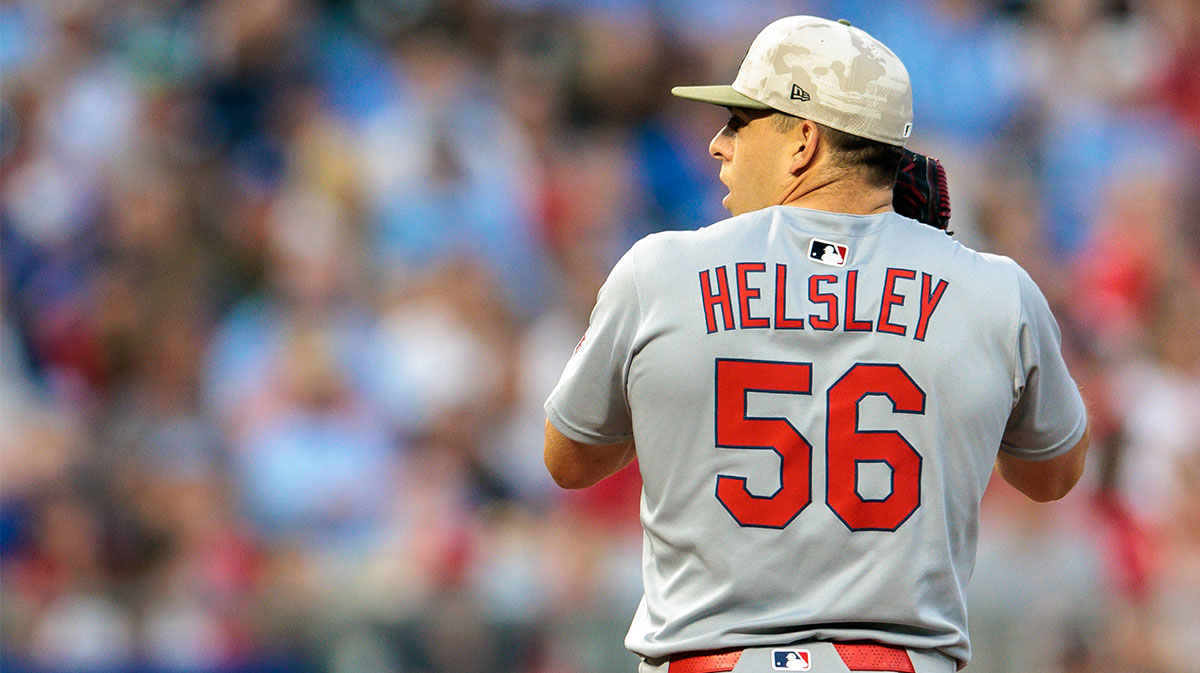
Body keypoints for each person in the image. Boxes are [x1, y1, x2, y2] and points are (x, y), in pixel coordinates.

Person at [543, 15, 1089, 673]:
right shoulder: (995, 290)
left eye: (739, 122)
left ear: (804, 140)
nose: (718, 145)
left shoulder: (659, 272)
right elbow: (1052, 474)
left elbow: (569, 460)